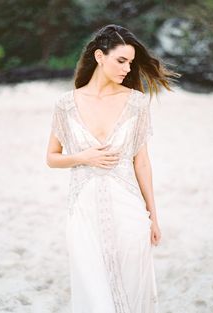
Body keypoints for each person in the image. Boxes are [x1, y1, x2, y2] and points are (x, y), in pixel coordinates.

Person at [46, 24, 180, 313]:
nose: (127, 68)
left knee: (134, 293)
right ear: (99, 56)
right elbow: (52, 157)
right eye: (121, 60)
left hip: (129, 212)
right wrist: (83, 157)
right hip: (83, 213)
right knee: (94, 296)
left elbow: (142, 162)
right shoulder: (65, 104)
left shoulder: (137, 103)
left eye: (130, 62)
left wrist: (153, 217)